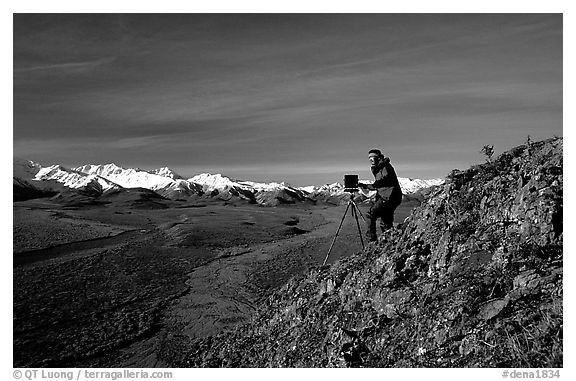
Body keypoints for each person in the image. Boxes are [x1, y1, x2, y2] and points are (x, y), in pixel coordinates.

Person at [358, 149, 402, 241]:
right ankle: (389, 241)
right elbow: (381, 183)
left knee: (370, 215)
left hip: (388, 197)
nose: (371, 160)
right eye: (369, 159)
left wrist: (371, 186)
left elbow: (385, 180)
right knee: (385, 220)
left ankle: (371, 240)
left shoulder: (384, 166)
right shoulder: (380, 167)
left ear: (378, 158)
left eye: (372, 158)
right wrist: (367, 186)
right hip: (391, 197)